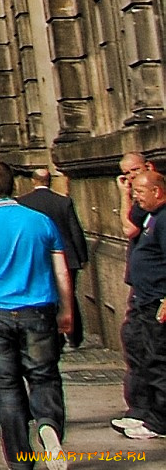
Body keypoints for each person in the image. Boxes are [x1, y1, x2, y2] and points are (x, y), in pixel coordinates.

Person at [0, 157, 73, 468]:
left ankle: (21, 460)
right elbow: (61, 272)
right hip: (39, 309)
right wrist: (67, 311)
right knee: (44, 377)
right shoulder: (41, 221)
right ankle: (48, 425)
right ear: (15, 186)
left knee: (6, 387)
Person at [115, 150, 166, 444]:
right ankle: (144, 411)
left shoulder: (162, 218)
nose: (136, 194)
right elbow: (130, 222)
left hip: (156, 301)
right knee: (141, 354)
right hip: (143, 297)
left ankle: (158, 419)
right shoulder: (149, 213)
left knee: (158, 361)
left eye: (140, 190)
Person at [21, 163, 93, 350]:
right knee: (68, 294)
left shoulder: (24, 203)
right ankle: (75, 336)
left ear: (33, 181)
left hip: (39, 257)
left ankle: (55, 337)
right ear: (50, 181)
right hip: (67, 256)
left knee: (47, 295)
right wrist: (82, 256)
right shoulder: (63, 201)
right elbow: (75, 231)